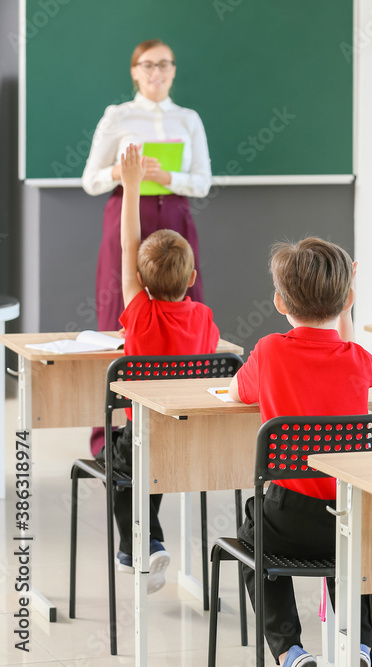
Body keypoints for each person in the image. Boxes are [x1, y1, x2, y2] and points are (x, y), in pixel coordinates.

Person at [227, 238, 372, 667]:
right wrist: (345, 309)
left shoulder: (271, 351)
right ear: (348, 298)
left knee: (249, 539)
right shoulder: (358, 359)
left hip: (286, 522)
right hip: (347, 521)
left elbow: (240, 392)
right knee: (351, 552)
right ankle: (361, 644)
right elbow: (354, 363)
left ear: (279, 301)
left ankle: (289, 650)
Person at [83, 38, 212, 457]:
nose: (157, 72)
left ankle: (181, 417)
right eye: (148, 65)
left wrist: (169, 176)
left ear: (174, 70)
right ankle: (110, 435)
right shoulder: (117, 116)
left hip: (174, 215)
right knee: (119, 315)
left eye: (165, 65)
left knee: (185, 310)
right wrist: (123, 171)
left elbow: (203, 181)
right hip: (127, 210)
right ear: (134, 71)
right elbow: (91, 179)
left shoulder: (188, 118)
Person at [105, 144, 220, 593]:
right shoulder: (204, 318)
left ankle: (139, 544)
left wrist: (131, 187)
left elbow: (126, 243)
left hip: (144, 433)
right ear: (193, 279)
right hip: (184, 432)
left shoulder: (139, 312)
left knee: (121, 466)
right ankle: (145, 541)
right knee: (148, 468)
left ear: (138, 278)